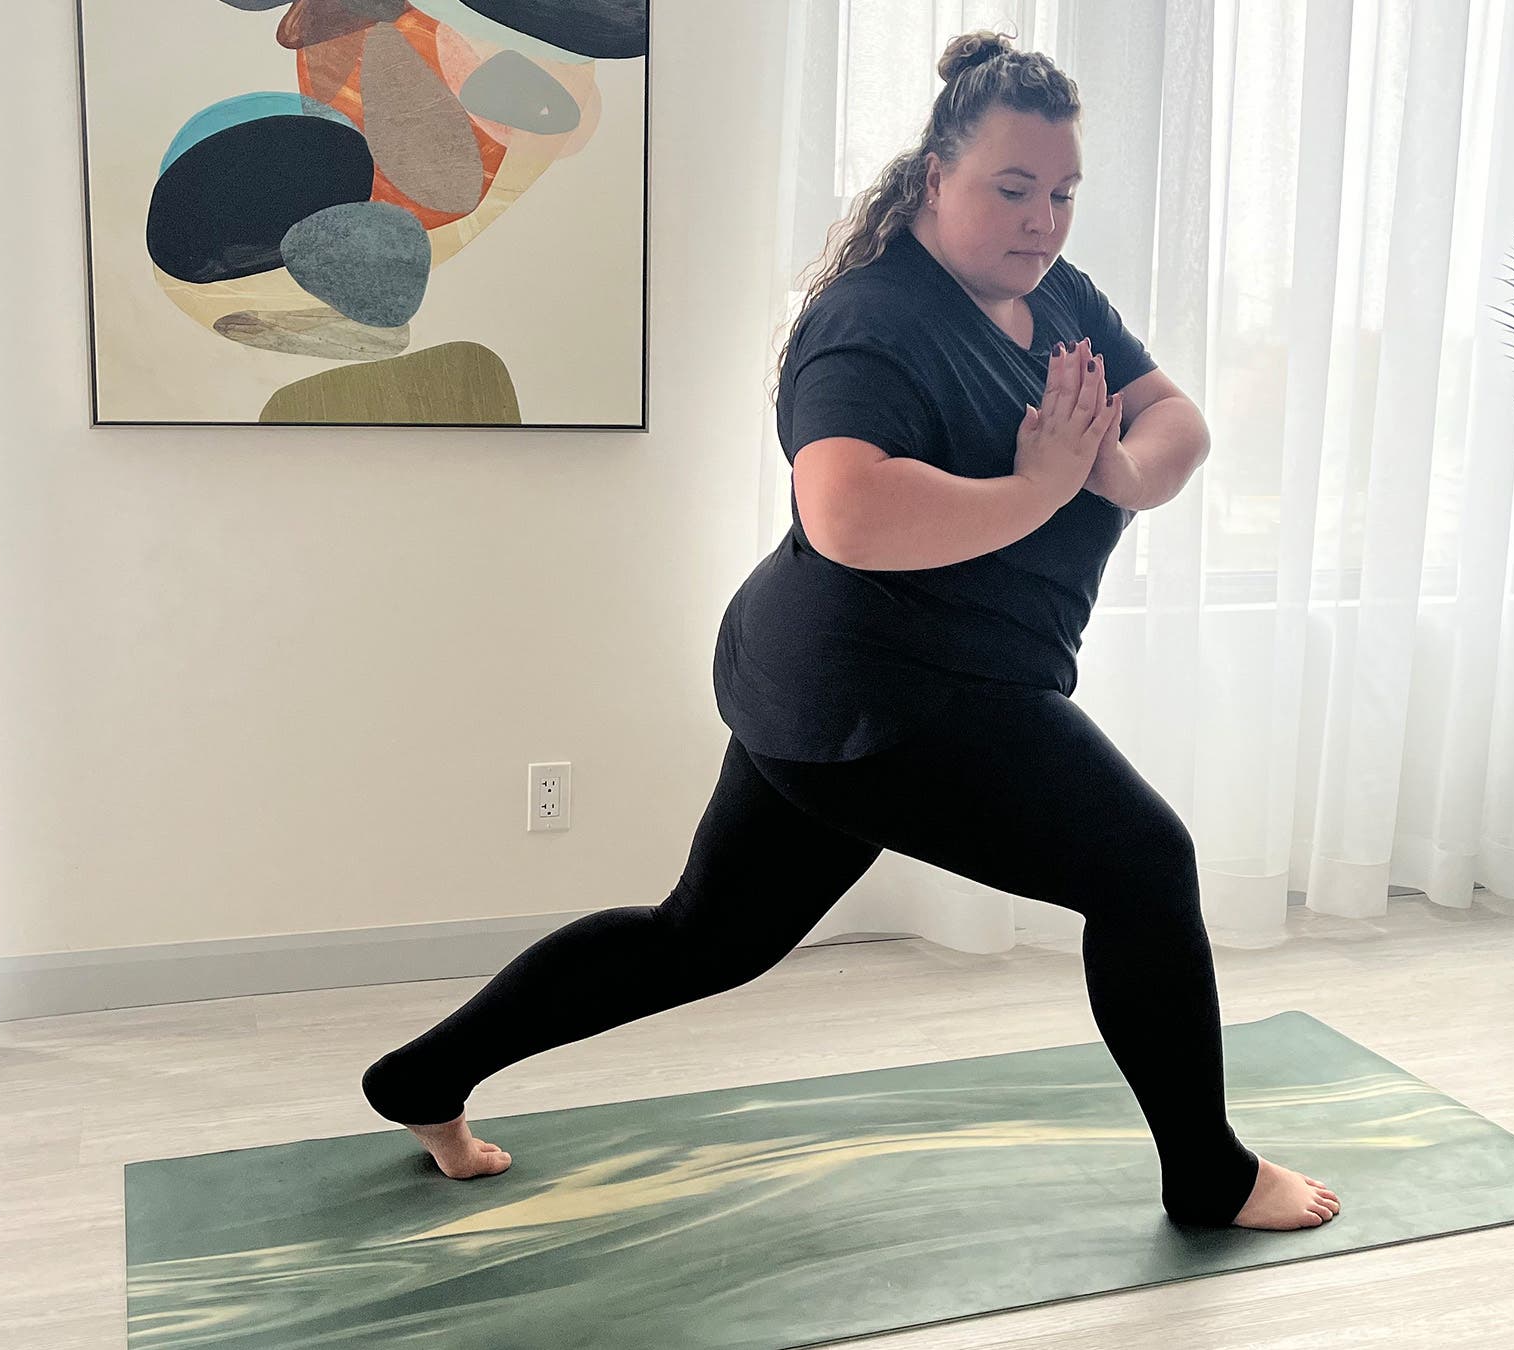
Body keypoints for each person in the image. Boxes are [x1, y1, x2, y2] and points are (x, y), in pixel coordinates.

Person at [362, 29, 1341, 1232]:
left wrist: (1118, 474)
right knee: (1143, 865)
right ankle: (1211, 1176)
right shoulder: (871, 322)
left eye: (1064, 193)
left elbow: (1176, 419)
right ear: (935, 176)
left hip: (868, 681)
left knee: (708, 936)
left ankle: (421, 1080)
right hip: (887, 698)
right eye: (1014, 189)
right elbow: (846, 514)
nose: (1043, 221)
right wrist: (1039, 489)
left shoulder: (1055, 295)